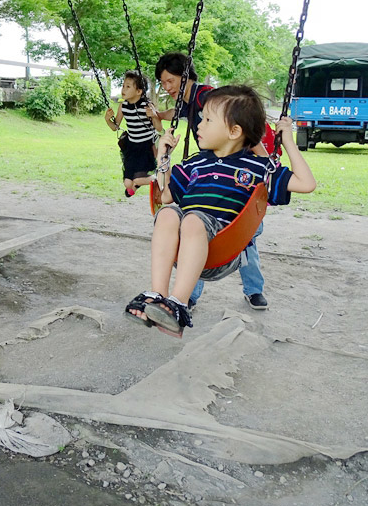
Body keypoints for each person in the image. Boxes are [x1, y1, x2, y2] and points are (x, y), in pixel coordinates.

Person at [125, 85, 316, 338]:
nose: (199, 126)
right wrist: (163, 156)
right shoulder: (196, 162)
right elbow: (166, 195)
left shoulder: (257, 167)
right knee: (168, 213)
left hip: (222, 250)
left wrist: (289, 142)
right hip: (184, 251)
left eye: (207, 120)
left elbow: (306, 184)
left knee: (193, 219)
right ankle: (158, 298)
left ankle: (178, 306)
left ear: (234, 131)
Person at [151, 52, 272, 311]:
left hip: (237, 165)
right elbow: (176, 111)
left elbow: (240, 123)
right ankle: (186, 295)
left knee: (243, 233)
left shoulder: (206, 97)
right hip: (210, 163)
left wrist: (264, 161)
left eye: (171, 81)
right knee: (196, 222)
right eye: (163, 83)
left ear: (185, 77)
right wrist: (160, 115)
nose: (167, 87)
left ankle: (253, 290)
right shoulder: (186, 101)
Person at [105, 70, 163, 198]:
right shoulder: (123, 106)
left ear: (139, 91)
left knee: (139, 179)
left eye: (128, 86)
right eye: (123, 85)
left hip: (146, 147)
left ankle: (158, 177)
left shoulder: (147, 106)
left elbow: (159, 128)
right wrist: (108, 120)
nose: (123, 89)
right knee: (127, 183)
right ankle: (135, 185)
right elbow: (115, 127)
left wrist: (153, 116)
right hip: (131, 147)